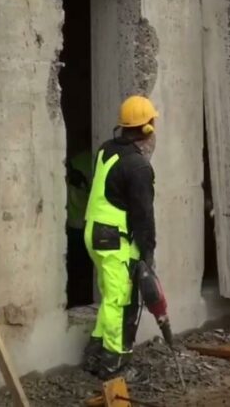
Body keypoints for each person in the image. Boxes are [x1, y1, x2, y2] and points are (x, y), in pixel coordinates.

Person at [82, 95, 159, 380]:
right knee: (121, 300)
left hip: (94, 233)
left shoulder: (107, 150)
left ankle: (94, 352)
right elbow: (143, 216)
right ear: (147, 129)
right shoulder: (138, 167)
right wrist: (147, 254)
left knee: (109, 296)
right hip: (114, 238)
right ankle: (113, 364)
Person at [65, 148, 94, 308]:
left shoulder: (82, 161)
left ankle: (79, 300)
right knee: (82, 271)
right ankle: (82, 300)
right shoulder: (92, 160)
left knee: (78, 270)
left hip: (78, 225)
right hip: (82, 226)